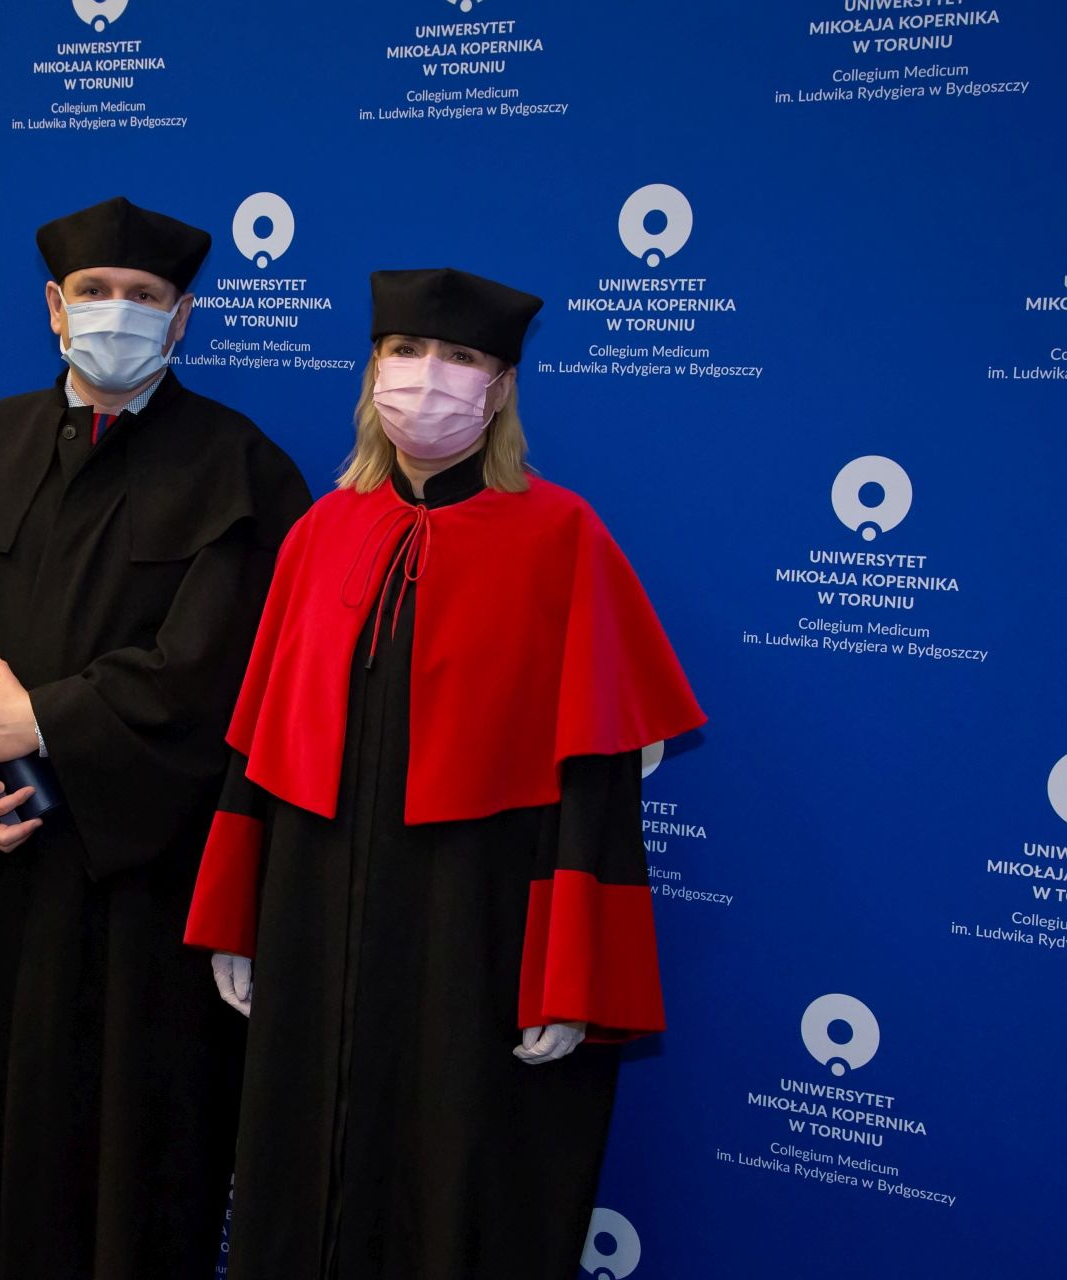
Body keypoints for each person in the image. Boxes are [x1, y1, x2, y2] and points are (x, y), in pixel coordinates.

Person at [184, 268, 705, 1279]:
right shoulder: (320, 533)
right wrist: (236, 913)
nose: (428, 377)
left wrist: (570, 972)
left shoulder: (562, 537)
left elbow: (599, 785)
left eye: (460, 357)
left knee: (458, 1170)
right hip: (314, 914)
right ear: (373, 369)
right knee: (301, 1160)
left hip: (477, 923)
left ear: (500, 387)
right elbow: (259, 742)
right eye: (406, 351)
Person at [0, 195, 311, 1280]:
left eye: (145, 296)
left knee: (127, 1156)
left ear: (183, 318)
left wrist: (44, 719)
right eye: (95, 292)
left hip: (139, 882)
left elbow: (213, 676)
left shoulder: (238, 471)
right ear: (55, 309)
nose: (118, 311)